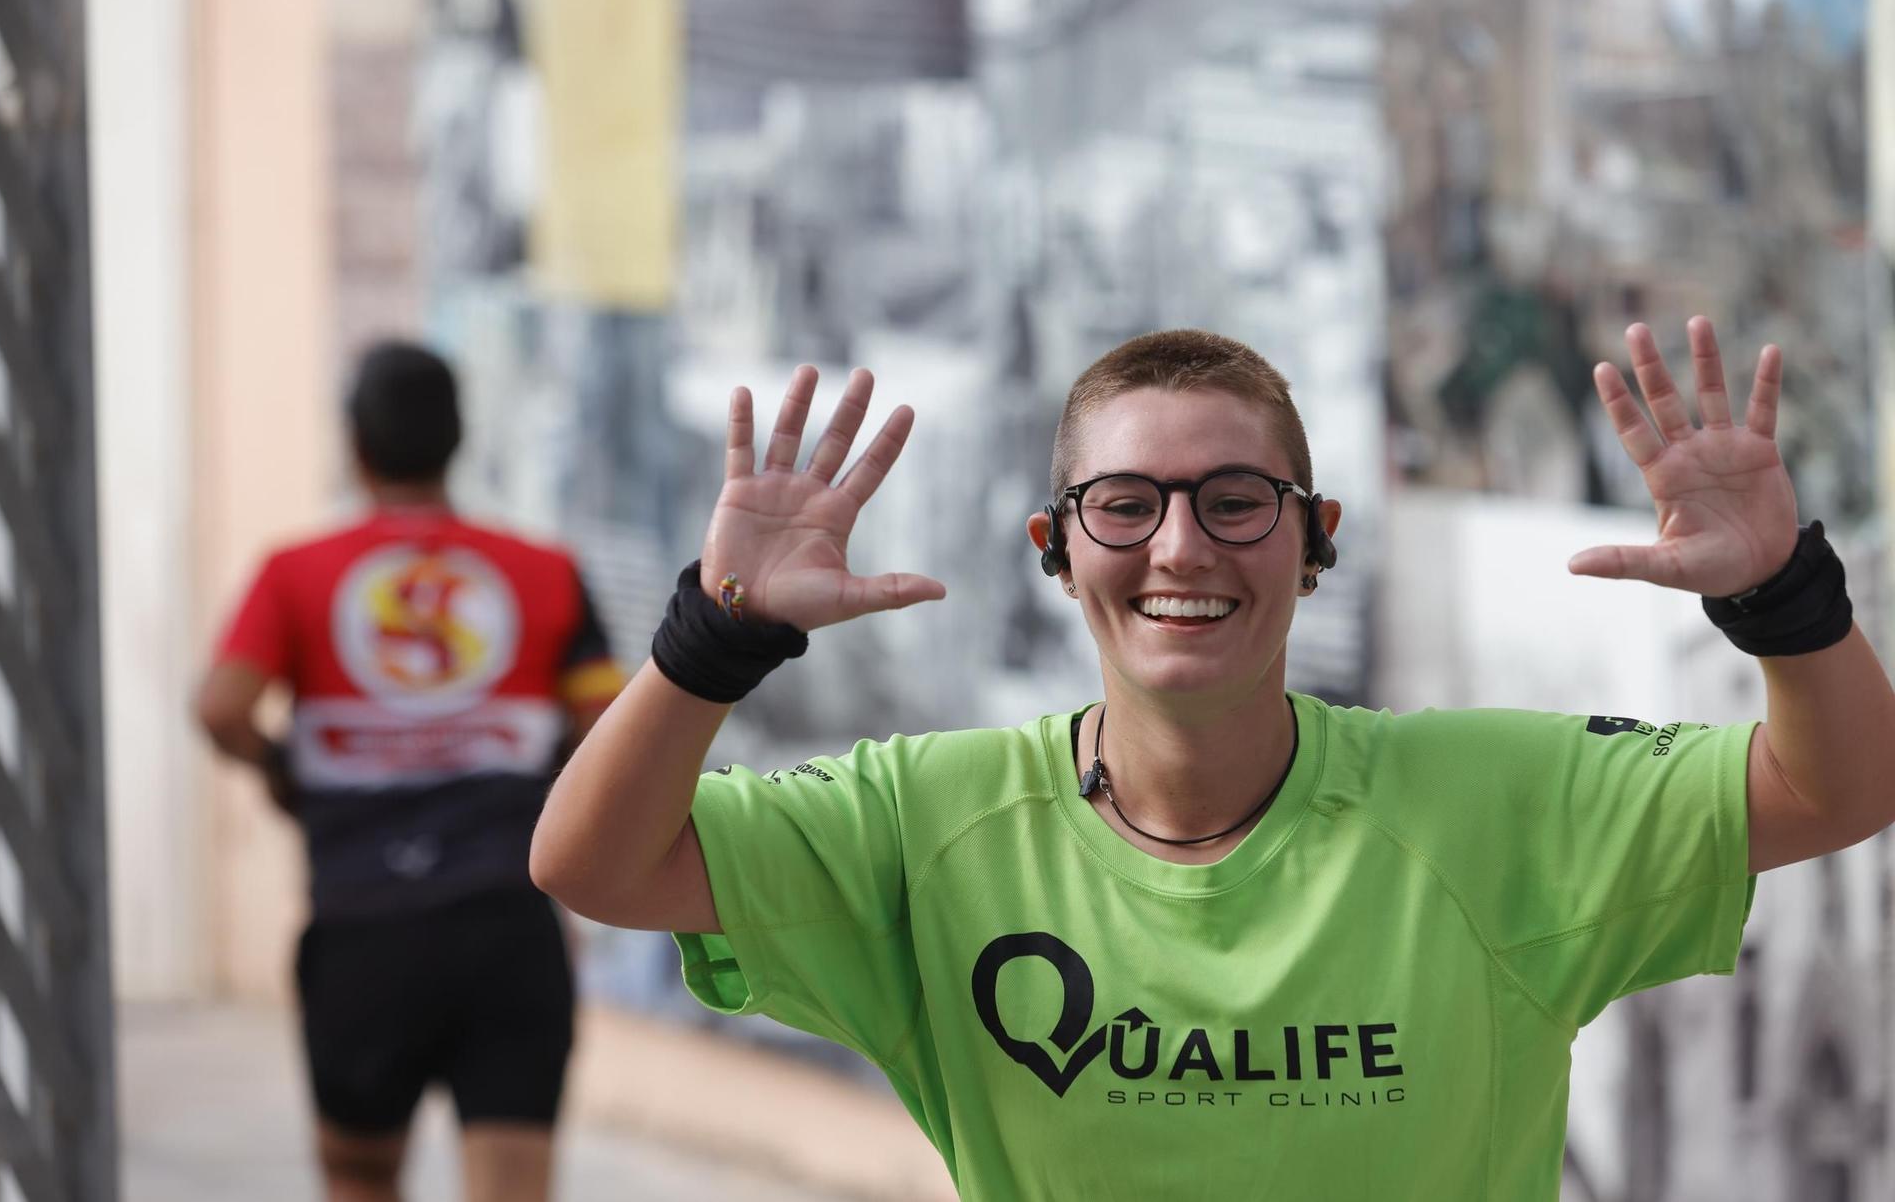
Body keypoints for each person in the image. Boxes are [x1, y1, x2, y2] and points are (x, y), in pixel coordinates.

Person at [529, 318, 1895, 1199]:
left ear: (1316, 542)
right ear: (1056, 552)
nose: (1182, 547)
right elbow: (593, 858)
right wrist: (715, 637)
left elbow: (1840, 786)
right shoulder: (923, 823)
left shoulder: (1500, 800)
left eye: (1238, 501)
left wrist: (1781, 594)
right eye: (1124, 504)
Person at [196, 342, 623, 1202]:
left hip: (363, 929)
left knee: (359, 1180)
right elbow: (610, 726)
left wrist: (289, 773)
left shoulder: (294, 574)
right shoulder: (547, 571)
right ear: (458, 441)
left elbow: (220, 706)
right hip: (509, 926)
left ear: (355, 446)